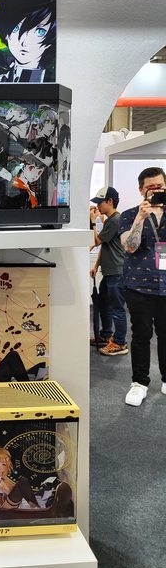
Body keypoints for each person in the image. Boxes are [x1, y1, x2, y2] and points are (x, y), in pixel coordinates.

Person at [118, 167, 166, 406]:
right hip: (139, 286)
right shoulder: (129, 215)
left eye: (160, 187)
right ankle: (139, 382)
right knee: (140, 335)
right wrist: (140, 218)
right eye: (151, 188)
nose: (156, 191)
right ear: (141, 190)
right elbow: (130, 246)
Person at [90, 186, 128, 356]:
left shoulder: (115, 220)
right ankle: (106, 335)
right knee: (104, 304)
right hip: (109, 271)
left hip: (116, 272)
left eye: (100, 202)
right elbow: (105, 246)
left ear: (110, 201)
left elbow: (97, 241)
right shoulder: (110, 220)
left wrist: (93, 222)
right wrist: (96, 265)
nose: (98, 206)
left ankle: (120, 343)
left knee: (117, 308)